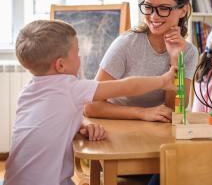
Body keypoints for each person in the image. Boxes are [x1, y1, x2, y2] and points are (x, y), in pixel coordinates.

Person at [4, 20, 177, 185]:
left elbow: (49, 119)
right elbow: (127, 86)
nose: (80, 58)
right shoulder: (71, 88)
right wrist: (163, 81)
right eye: (77, 53)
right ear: (61, 65)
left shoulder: (27, 92)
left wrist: (82, 122)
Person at [83, 0, 198, 122]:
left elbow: (175, 110)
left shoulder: (188, 52)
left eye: (163, 8)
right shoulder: (127, 44)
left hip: (153, 130)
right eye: (148, 7)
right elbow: (91, 106)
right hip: (116, 126)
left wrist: (176, 61)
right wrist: (142, 113)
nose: (153, 16)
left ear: (183, 11)